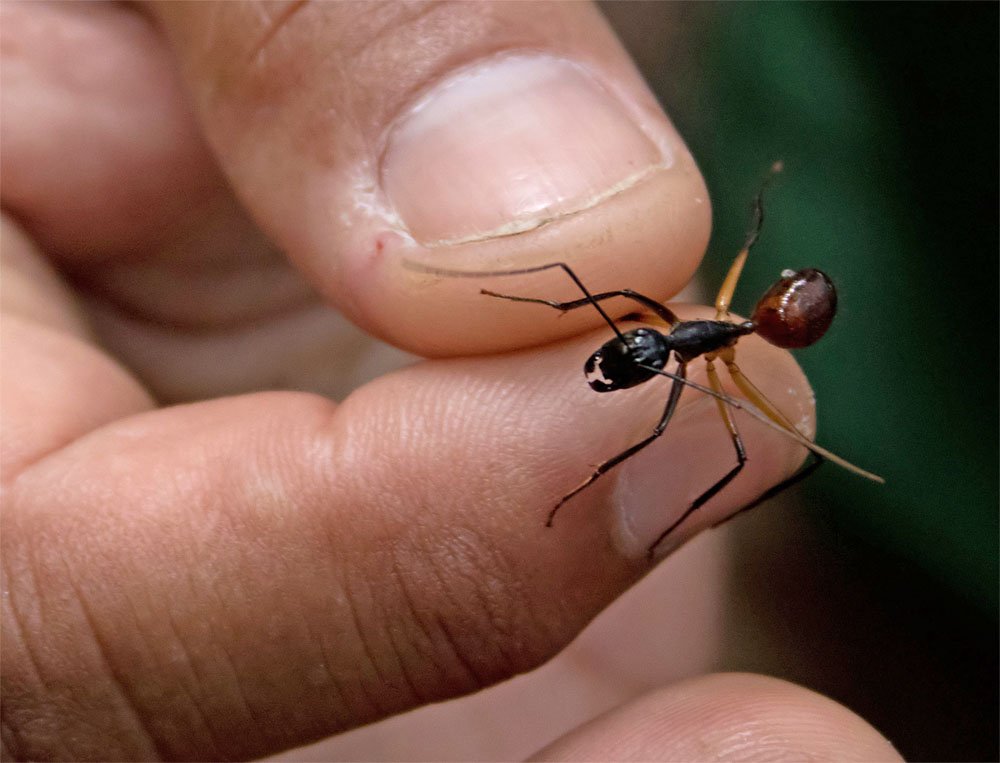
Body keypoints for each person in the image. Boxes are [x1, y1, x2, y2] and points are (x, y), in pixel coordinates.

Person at [1, 2, 900, 759]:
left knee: (710, 428)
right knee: (643, 333)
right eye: (640, 353)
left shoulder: (722, 343)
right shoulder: (671, 328)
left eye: (638, 353)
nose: (637, 352)